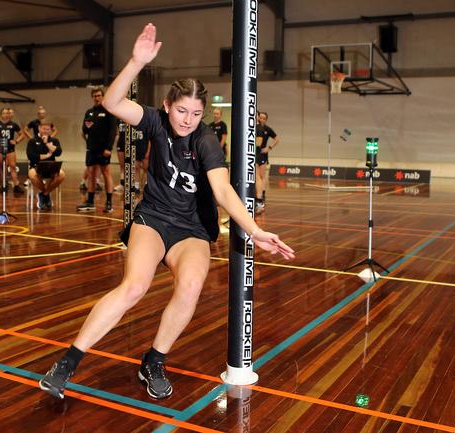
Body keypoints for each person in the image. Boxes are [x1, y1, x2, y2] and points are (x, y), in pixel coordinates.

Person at [39, 23, 295, 401]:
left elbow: (222, 189)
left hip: (193, 229)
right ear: (166, 107)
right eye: (181, 110)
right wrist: (135, 62)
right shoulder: (156, 123)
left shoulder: (206, 141)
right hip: (154, 218)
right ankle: (68, 361)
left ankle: (154, 361)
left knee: (190, 287)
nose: (187, 119)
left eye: (195, 112)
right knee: (134, 287)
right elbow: (111, 103)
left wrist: (254, 230)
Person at [77, 87, 118, 213]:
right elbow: (84, 130)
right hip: (91, 148)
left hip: (104, 148)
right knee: (91, 174)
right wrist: (87, 128)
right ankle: (90, 202)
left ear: (103, 96)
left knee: (106, 173)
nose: (97, 98)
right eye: (94, 96)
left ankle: (109, 202)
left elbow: (112, 131)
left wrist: (108, 148)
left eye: (99, 95)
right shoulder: (89, 112)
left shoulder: (109, 111)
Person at [27, 120, 65, 210]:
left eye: (48, 129)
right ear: (39, 128)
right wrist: (46, 156)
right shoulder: (32, 141)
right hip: (36, 166)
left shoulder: (54, 140)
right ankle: (46, 194)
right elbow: (31, 156)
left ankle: (44, 194)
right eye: (44, 129)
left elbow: (58, 153)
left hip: (51, 166)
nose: (46, 131)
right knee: (32, 175)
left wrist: (47, 144)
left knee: (62, 174)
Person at [0, 107, 25, 194]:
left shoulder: (13, 124)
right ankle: (4, 185)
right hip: (0, 149)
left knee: (13, 167)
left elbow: (22, 134)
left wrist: (16, 141)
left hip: (10, 149)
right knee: (3, 167)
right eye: (4, 113)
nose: (5, 115)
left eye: (7, 113)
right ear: (1, 115)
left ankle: (16, 185)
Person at [114, 120, 148, 195]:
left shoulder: (145, 123)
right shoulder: (121, 121)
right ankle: (136, 186)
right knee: (135, 167)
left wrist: (148, 150)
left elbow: (150, 139)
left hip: (144, 146)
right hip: (134, 146)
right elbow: (118, 133)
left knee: (146, 169)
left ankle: (146, 187)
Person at [255, 111, 279, 214]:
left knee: (260, 176)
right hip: (256, 153)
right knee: (258, 177)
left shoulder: (266, 129)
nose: (262, 119)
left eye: (264, 118)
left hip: (262, 154)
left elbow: (277, 138)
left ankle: (261, 197)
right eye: (261, 117)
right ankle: (259, 196)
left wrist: (269, 148)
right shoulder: (256, 127)